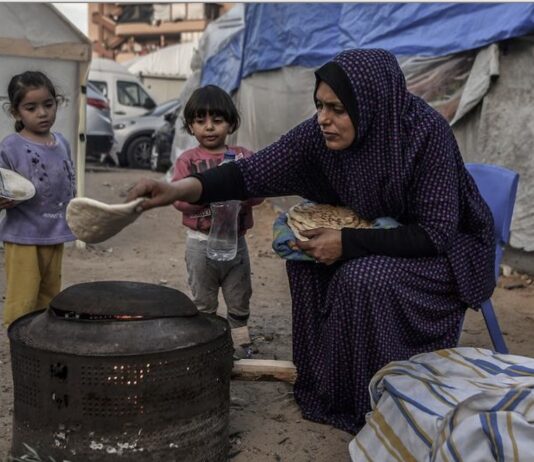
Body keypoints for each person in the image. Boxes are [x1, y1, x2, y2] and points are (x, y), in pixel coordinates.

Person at [126, 49, 495, 434]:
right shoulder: (317, 137)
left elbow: (436, 232)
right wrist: (176, 189)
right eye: (319, 105)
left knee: (361, 277)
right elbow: (251, 172)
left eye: (336, 108)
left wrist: (347, 244)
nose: (323, 119)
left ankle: (380, 400)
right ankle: (330, 389)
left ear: (369, 105)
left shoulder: (424, 134)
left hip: (445, 251)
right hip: (376, 233)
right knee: (305, 261)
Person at [171, 85, 263, 359]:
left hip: (236, 243)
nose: (209, 128)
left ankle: (240, 343)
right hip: (200, 245)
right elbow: (178, 200)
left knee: (239, 295)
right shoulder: (187, 161)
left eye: (217, 120)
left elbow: (259, 192)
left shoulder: (243, 158)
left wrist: (241, 192)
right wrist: (208, 193)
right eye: (201, 121)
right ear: (190, 126)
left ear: (231, 123)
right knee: (203, 300)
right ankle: (207, 346)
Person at [0, 71, 76, 326]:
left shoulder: (62, 142)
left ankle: (41, 343)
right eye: (31, 108)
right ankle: (20, 343)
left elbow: (68, 179)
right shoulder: (11, 146)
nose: (42, 113)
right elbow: (2, 184)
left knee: (49, 295)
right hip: (23, 236)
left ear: (57, 102)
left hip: (55, 232)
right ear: (15, 112)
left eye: (48, 104)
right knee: (23, 299)